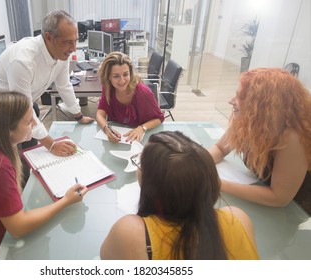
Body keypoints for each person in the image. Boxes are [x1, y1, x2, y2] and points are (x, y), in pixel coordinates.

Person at [0, 91, 88, 259]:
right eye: (28, 121)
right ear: (8, 129)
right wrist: (66, 201)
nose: (34, 124)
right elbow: (18, 227)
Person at [101, 131, 259, 260]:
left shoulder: (130, 231)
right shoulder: (239, 218)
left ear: (151, 185)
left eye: (141, 163)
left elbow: (106, 259)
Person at [0, 10, 94, 156]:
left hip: (24, 99)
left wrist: (79, 116)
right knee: (7, 149)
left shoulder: (61, 54)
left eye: (75, 40)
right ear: (48, 37)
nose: (73, 48)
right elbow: (23, 108)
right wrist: (52, 145)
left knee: (29, 136)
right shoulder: (23, 60)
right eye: (67, 42)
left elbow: (64, 86)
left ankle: (29, 159)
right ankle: (20, 172)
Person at [208, 68, 311, 214]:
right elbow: (220, 148)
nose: (231, 101)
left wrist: (215, 183)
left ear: (262, 106)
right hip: (260, 196)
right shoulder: (251, 121)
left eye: (240, 97)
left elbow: (279, 198)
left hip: (294, 211)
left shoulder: (292, 137)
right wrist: (198, 163)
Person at [96, 52, 164, 143]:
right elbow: (100, 113)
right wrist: (107, 129)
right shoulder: (108, 87)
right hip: (120, 139)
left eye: (125, 74)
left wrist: (142, 128)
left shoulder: (143, 92)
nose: (122, 80)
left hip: (139, 140)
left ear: (130, 73)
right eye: (116, 76)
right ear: (108, 77)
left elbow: (159, 118)